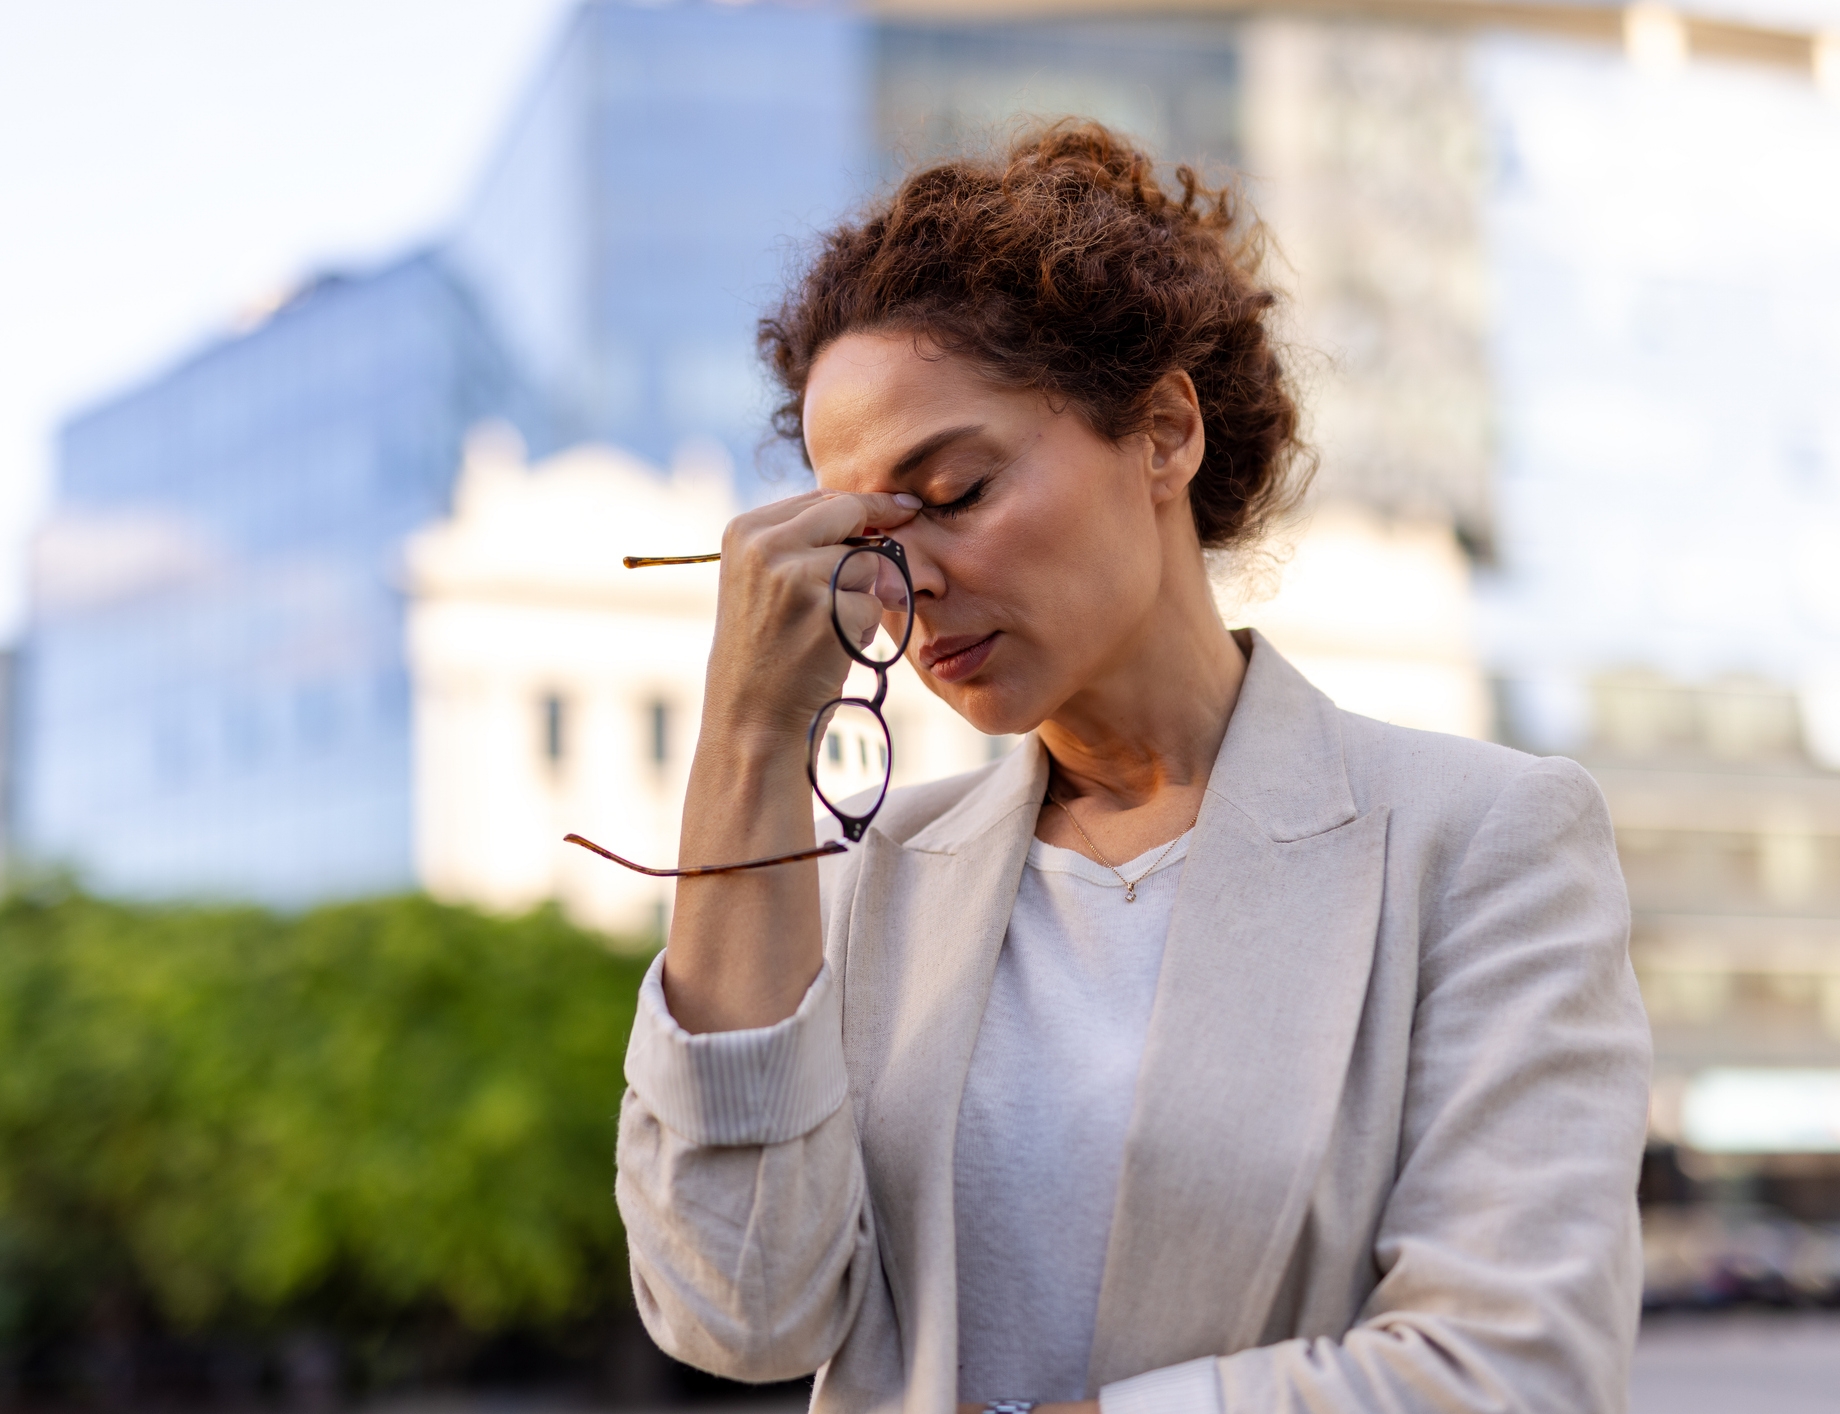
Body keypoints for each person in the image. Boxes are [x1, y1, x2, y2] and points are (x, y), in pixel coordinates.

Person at [611, 122, 1649, 1414]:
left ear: (1163, 431)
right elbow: (739, 1316)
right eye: (863, 530)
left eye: (953, 490)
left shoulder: (1478, 842)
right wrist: (748, 741)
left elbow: (1516, 1370)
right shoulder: (868, 883)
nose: (901, 576)